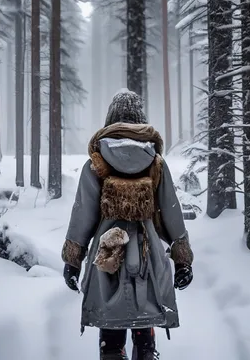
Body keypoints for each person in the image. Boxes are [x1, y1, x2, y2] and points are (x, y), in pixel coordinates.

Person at [61, 90, 194, 360]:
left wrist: (73, 261)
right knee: (144, 318)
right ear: (140, 121)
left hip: (107, 255)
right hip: (148, 254)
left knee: (112, 324)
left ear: (111, 120)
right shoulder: (156, 164)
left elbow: (83, 214)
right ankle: (145, 351)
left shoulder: (95, 164)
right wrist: (182, 260)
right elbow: (170, 212)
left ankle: (111, 351)